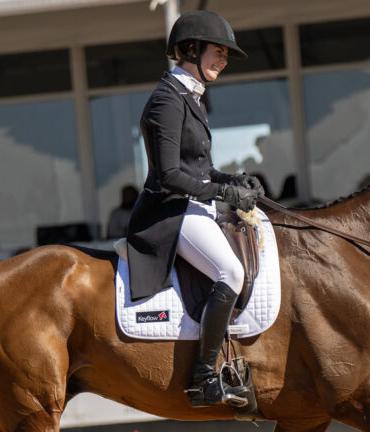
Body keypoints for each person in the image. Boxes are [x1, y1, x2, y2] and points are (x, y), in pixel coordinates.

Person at [125, 10, 264, 408]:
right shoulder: (167, 100)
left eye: (224, 54)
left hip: (188, 204)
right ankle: (203, 379)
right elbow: (169, 174)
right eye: (217, 52)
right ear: (191, 49)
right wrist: (221, 193)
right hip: (167, 212)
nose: (222, 60)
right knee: (231, 271)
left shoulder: (192, 97)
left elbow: (199, 169)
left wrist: (233, 182)